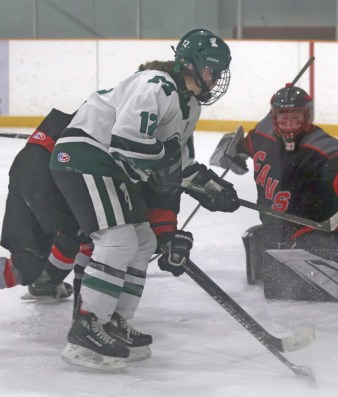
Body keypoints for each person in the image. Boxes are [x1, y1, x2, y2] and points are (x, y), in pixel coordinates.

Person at [49, 28, 239, 370]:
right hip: (85, 155)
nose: (214, 79)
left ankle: (113, 320)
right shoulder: (155, 84)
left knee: (141, 240)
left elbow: (177, 164)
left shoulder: (189, 104)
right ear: (190, 64)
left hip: (109, 165)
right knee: (117, 238)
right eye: (211, 69)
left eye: (217, 72)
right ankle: (86, 326)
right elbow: (126, 142)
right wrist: (168, 159)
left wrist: (209, 188)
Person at [210, 84, 338, 285]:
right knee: (272, 283)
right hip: (275, 230)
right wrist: (232, 151)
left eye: (296, 117)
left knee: (295, 288)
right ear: (273, 116)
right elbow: (243, 145)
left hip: (316, 231)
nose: (289, 124)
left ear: (308, 116)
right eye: (282, 117)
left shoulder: (321, 145)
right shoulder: (263, 131)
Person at [0, 109, 91, 301]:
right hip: (45, 171)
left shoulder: (106, 104)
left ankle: (46, 283)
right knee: (81, 232)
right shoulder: (120, 111)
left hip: (30, 164)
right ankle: (49, 284)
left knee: (26, 265)